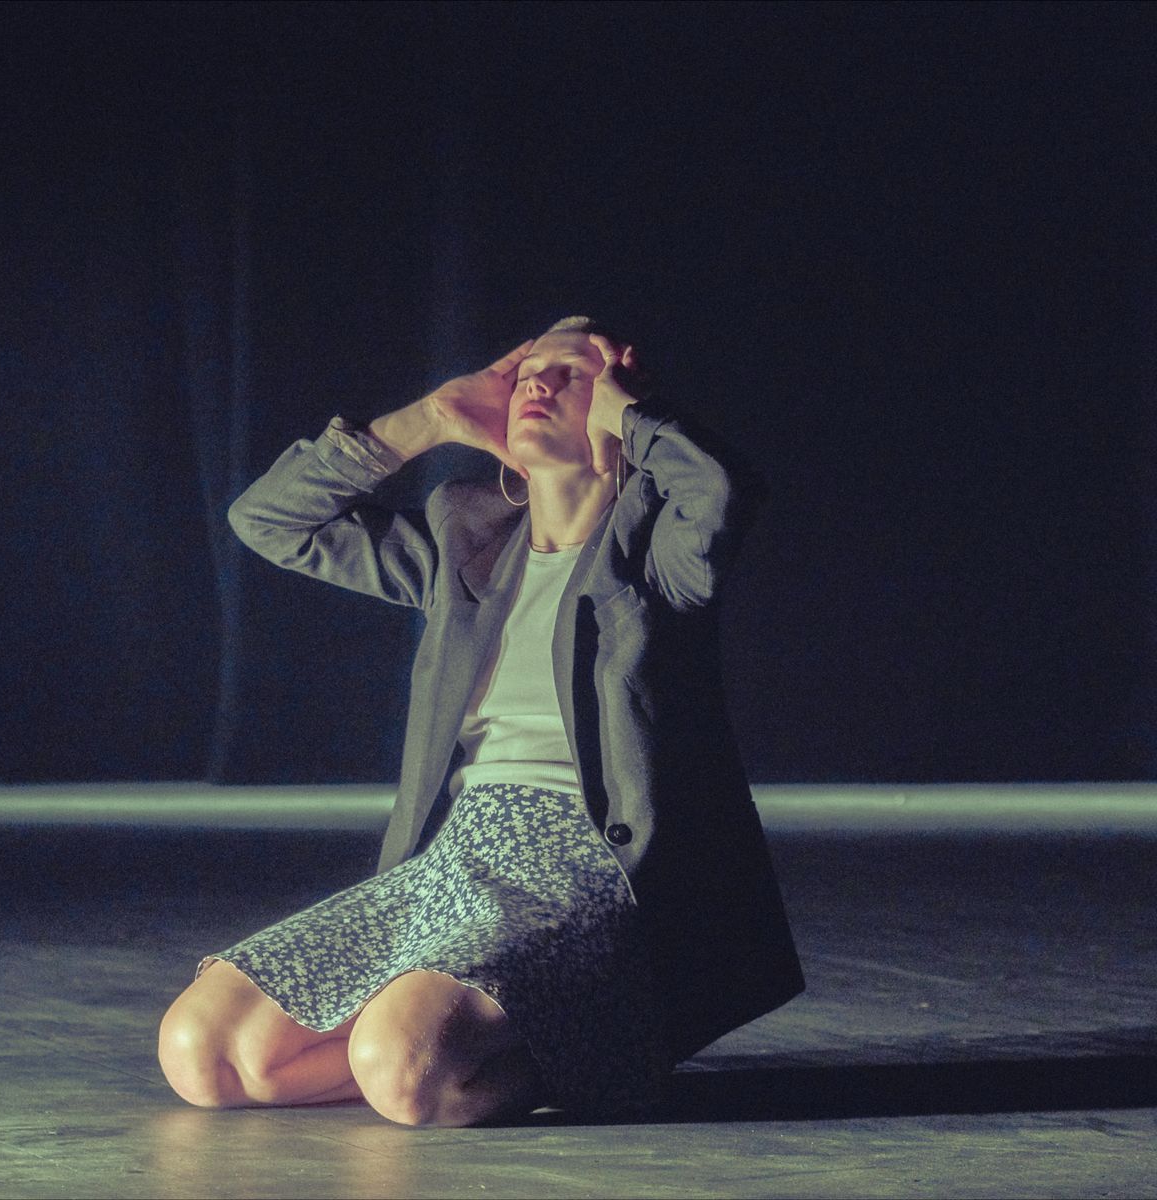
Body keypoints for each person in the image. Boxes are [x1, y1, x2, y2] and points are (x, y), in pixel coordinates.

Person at [156, 315, 804, 1126]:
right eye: (529, 371)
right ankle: (468, 1035)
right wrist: (428, 419)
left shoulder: (658, 556)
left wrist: (635, 417)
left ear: (617, 390)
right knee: (206, 1053)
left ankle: (609, 1041)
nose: (538, 383)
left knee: (403, 1067)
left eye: (570, 374)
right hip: (455, 858)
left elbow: (725, 492)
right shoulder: (464, 546)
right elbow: (268, 520)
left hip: (590, 869)